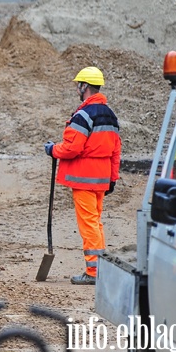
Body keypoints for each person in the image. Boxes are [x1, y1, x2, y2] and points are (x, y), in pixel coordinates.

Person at [44, 67, 121, 285]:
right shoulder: (111, 116)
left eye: (79, 85)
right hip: (101, 178)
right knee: (95, 222)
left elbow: (71, 148)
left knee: (89, 224)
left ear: (84, 86)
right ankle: (100, 269)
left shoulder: (84, 115)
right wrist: (112, 178)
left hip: (84, 179)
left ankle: (94, 272)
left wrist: (52, 150)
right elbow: (116, 151)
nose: (77, 88)